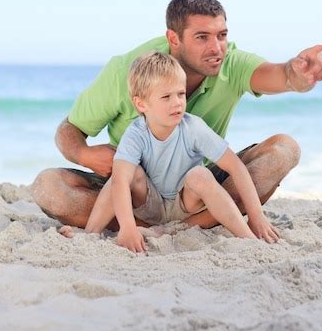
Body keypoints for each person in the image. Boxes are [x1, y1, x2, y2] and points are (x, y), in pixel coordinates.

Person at [32, 0, 322, 235]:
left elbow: (280, 76)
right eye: (202, 37)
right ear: (174, 39)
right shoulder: (128, 72)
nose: (216, 48)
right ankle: (144, 227)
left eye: (222, 35)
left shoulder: (230, 64)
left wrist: (298, 73)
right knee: (49, 188)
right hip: (134, 190)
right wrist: (85, 155)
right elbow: (69, 132)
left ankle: (182, 227)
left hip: (193, 191)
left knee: (284, 149)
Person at [61, 52, 279, 251]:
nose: (177, 103)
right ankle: (90, 234)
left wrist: (256, 215)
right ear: (141, 104)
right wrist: (127, 227)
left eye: (181, 94)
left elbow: (236, 167)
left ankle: (247, 238)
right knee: (123, 174)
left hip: (186, 204)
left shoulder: (193, 127)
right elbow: (120, 183)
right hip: (148, 204)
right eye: (166, 97)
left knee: (201, 175)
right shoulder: (136, 133)